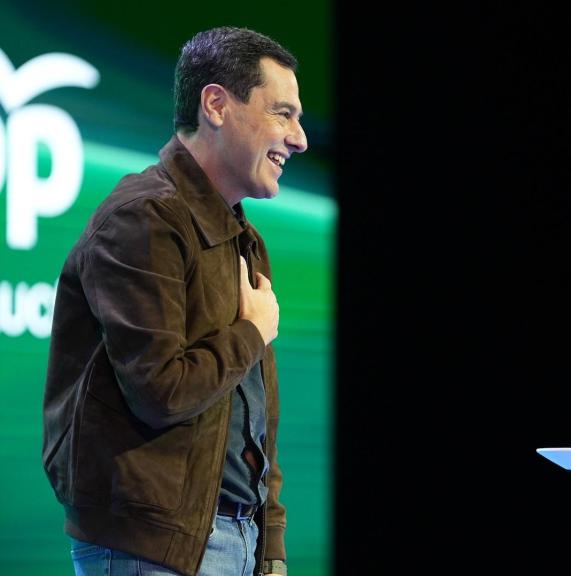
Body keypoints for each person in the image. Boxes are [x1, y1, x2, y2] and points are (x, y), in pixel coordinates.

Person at [42, 26, 307, 576]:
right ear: (215, 104)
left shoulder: (243, 237)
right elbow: (161, 391)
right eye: (283, 114)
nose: (300, 138)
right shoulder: (143, 217)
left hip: (234, 538)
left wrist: (270, 547)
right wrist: (251, 332)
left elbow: (255, 418)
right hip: (154, 549)